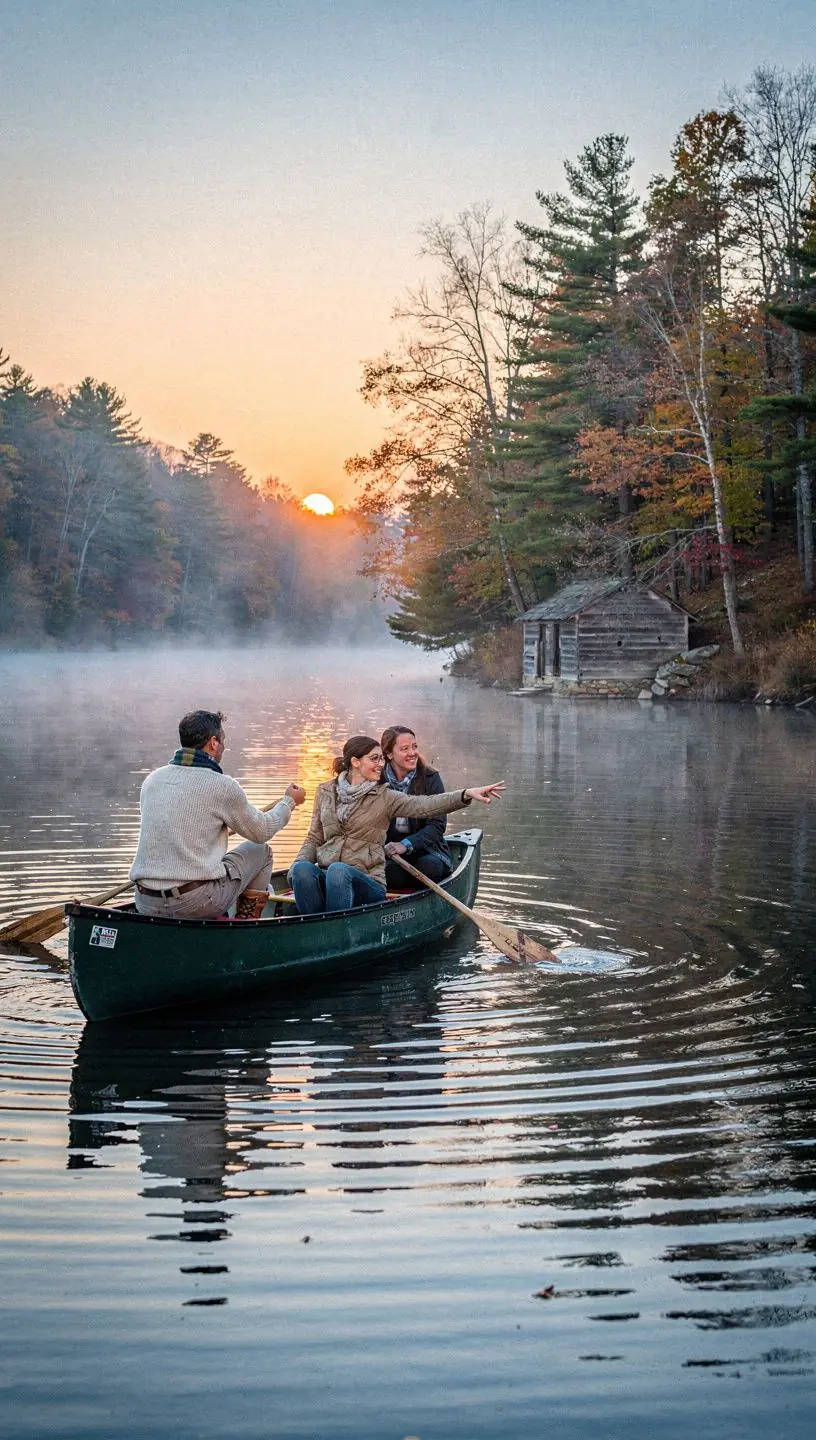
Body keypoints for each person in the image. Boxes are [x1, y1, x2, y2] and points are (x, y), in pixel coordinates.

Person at [289, 734, 504, 914]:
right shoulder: (325, 791)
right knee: (302, 871)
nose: (381, 764)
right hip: (330, 875)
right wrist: (298, 863)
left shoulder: (385, 797)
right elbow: (314, 837)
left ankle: (334, 932)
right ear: (355, 762)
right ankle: (314, 926)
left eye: (382, 759)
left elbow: (425, 805)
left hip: (367, 881)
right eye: (374, 759)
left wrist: (465, 795)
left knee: (339, 871)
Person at [130, 709, 306, 920]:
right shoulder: (222, 786)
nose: (223, 747)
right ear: (213, 743)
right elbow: (262, 831)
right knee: (261, 851)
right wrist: (288, 802)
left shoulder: (152, 781)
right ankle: (246, 925)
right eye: (222, 741)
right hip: (194, 903)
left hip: (145, 901)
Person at [380, 725, 453, 890]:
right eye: (404, 749)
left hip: (427, 851)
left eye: (414, 747)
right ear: (389, 754)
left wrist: (406, 844)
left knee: (429, 867)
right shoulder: (377, 780)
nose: (412, 753)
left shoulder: (430, 777)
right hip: (388, 854)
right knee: (387, 873)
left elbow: (437, 825)